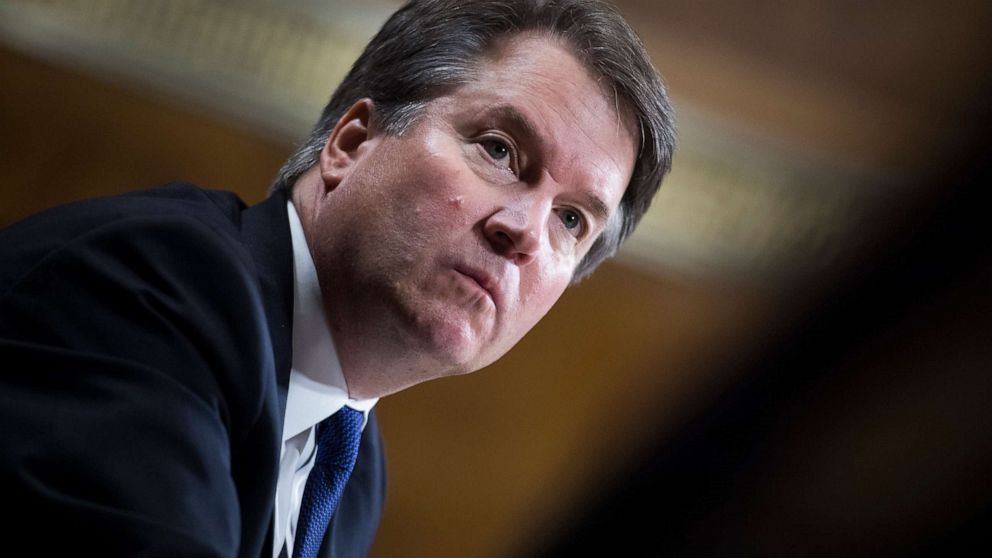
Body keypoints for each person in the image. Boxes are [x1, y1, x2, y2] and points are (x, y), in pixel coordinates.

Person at [0, 0, 675, 556]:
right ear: (351, 143)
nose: (525, 231)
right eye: (499, 150)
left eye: (572, 221)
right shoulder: (157, 283)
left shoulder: (350, 473)